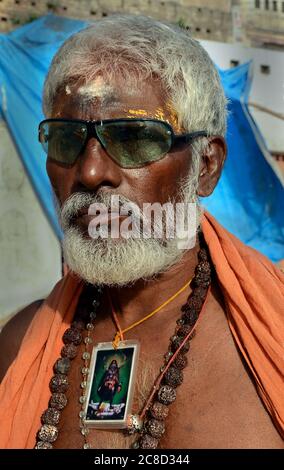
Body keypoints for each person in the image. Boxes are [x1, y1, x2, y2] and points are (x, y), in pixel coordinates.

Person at [0, 15, 283, 450]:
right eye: (66, 139)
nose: (91, 172)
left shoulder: (271, 334)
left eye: (134, 138)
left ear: (206, 167)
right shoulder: (20, 346)